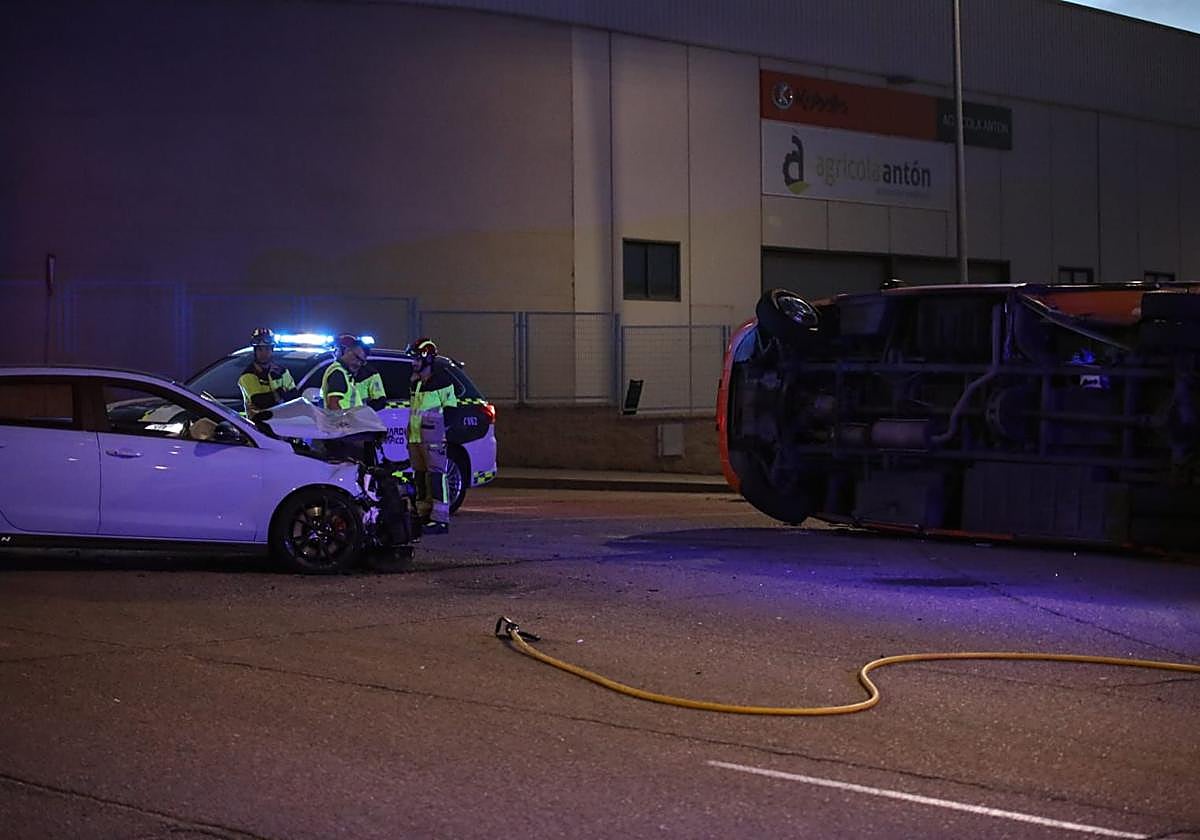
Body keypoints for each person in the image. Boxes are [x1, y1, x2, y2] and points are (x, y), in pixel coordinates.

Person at [407, 337, 457, 534]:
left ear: (427, 359)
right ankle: (423, 513)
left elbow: (451, 410)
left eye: (417, 359)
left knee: (436, 477)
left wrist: (441, 433)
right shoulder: (417, 383)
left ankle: (440, 518)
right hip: (416, 437)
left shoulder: (443, 382)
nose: (414, 363)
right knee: (420, 477)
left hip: (433, 438)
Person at [237, 327, 298, 418]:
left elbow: (295, 397)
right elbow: (260, 402)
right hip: (258, 426)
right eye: (260, 349)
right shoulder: (248, 375)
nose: (264, 353)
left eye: (267, 349)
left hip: (283, 422)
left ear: (272, 350)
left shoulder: (282, 372)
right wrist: (281, 393)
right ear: (255, 350)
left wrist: (275, 396)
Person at [320, 334, 386, 410]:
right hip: (346, 421)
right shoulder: (338, 372)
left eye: (362, 362)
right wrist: (342, 421)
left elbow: (380, 401)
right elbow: (333, 405)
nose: (358, 364)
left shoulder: (346, 373)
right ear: (347, 351)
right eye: (357, 358)